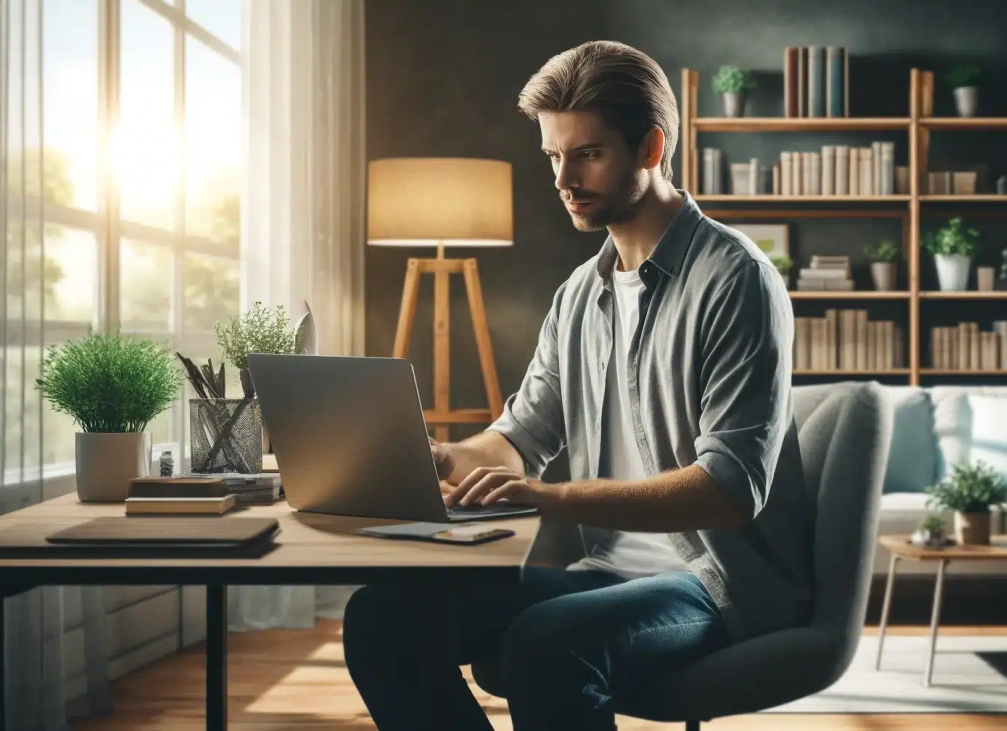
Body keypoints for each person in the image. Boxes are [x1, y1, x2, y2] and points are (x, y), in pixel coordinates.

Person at [343, 40, 813, 731]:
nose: (564, 177)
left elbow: (730, 489)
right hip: (605, 573)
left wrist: (549, 497)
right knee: (382, 615)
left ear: (651, 147)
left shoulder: (734, 278)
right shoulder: (578, 296)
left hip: (716, 586)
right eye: (553, 157)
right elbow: (522, 438)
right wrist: (441, 459)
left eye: (587, 153)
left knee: (547, 643)